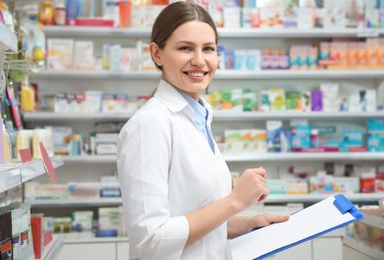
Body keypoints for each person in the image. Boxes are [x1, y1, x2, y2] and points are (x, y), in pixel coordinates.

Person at [117, 2, 289, 259]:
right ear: (157, 53)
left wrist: (249, 223)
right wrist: (235, 201)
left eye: (208, 49)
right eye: (185, 48)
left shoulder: (199, 118)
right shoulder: (150, 125)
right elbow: (150, 240)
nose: (199, 60)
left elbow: (191, 218)